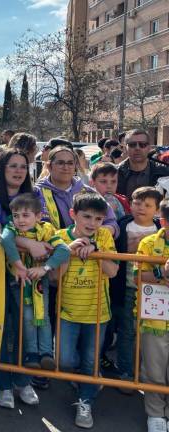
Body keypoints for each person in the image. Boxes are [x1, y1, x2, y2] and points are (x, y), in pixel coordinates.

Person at [0, 148, 47, 407]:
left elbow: (46, 230)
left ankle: (23, 381)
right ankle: (3, 385)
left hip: (31, 274)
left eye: (22, 166)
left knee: (26, 330)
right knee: (4, 330)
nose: (18, 171)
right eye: (12, 166)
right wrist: (29, 245)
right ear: (1, 169)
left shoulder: (35, 195)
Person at [56, 193, 118, 429]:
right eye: (87, 217)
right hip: (67, 311)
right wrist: (67, 251)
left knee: (91, 361)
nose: (92, 223)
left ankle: (85, 400)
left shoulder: (103, 236)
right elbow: (54, 277)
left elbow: (112, 272)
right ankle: (88, 379)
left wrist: (96, 251)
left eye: (98, 219)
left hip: (97, 312)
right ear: (73, 215)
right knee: (65, 360)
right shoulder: (60, 237)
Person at [0, 193, 70, 370]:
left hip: (39, 281)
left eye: (25, 215)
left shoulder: (46, 230)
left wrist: (44, 268)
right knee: (28, 316)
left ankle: (46, 352)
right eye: (16, 215)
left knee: (43, 315)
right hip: (19, 281)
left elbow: (64, 250)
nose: (20, 220)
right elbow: (5, 239)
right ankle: (32, 352)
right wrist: (19, 266)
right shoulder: (11, 229)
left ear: (38, 216)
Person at [108, 187, 162, 389]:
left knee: (151, 334)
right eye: (137, 202)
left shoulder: (160, 228)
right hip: (128, 288)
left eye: (148, 205)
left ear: (157, 210)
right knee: (127, 332)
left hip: (156, 290)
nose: (141, 208)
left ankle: (150, 374)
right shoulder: (123, 225)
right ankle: (126, 372)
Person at [135, 198, 169, 432]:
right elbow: (139, 275)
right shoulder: (148, 243)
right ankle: (156, 414)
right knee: (154, 367)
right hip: (155, 316)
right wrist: (161, 272)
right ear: (164, 221)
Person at [37, 145, 118, 236]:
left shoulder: (89, 192)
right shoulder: (36, 193)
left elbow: (112, 224)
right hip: (50, 248)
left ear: (75, 166)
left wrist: (92, 235)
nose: (66, 167)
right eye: (60, 163)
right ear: (49, 166)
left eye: (70, 163)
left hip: (88, 248)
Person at [118, 129, 169, 200]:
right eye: (132, 145)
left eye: (143, 144)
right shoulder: (115, 173)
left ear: (149, 148)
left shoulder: (165, 172)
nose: (137, 148)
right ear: (125, 148)